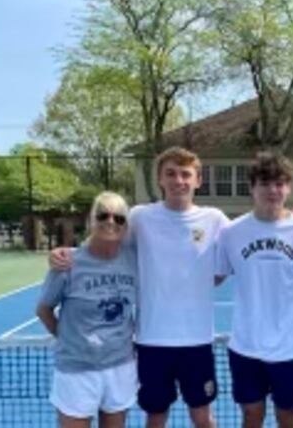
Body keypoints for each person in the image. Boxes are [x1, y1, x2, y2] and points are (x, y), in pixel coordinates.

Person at [50, 147, 229, 428]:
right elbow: (107, 235)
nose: (178, 181)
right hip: (151, 341)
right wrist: (70, 253)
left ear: (198, 180)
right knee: (155, 416)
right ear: (160, 178)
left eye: (185, 174)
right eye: (170, 173)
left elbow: (242, 243)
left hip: (197, 340)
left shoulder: (215, 219)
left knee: (202, 417)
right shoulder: (140, 217)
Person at [215, 152, 293, 428]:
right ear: (252, 187)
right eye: (265, 183)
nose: (273, 190)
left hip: (289, 349)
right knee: (251, 416)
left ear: (288, 187)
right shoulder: (231, 233)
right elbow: (211, 277)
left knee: (287, 418)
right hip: (245, 347)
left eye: (279, 183)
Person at [36, 191, 137, 428]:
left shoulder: (133, 259)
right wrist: (68, 339)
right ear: (92, 220)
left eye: (119, 218)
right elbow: (44, 310)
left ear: (125, 226)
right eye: (103, 215)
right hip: (77, 371)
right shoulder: (68, 263)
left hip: (120, 366)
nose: (110, 222)